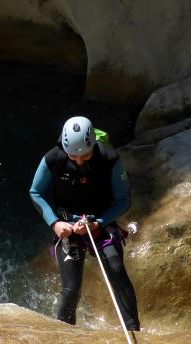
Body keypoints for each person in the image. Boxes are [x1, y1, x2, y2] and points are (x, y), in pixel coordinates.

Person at [29, 116, 140, 331]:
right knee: (71, 288)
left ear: (93, 146)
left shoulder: (109, 158)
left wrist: (98, 223)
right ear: (64, 147)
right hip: (68, 226)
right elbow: (35, 192)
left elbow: (123, 200)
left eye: (86, 155)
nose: (80, 161)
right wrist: (55, 224)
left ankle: (134, 330)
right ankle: (65, 334)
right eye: (74, 156)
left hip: (101, 221)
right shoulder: (54, 158)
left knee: (116, 270)